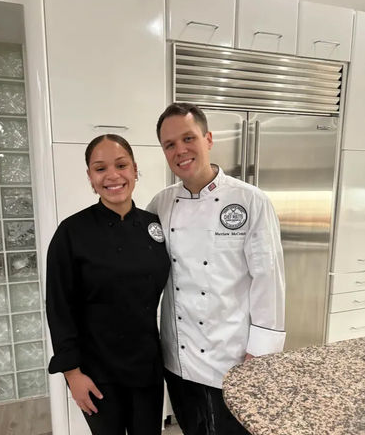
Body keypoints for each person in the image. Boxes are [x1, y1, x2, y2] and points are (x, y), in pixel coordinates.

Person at [147, 103, 286, 435]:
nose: (180, 150)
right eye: (169, 144)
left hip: (232, 358)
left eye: (188, 138)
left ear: (208, 139)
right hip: (177, 359)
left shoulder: (251, 201)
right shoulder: (160, 204)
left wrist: (261, 354)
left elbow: (268, 281)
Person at [46, 134, 171, 435]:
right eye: (100, 168)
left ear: (135, 169)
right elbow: (59, 306)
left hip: (146, 365)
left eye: (121, 165)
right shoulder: (71, 232)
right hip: (96, 371)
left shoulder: (154, 226)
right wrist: (72, 374)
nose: (113, 176)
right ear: (90, 177)